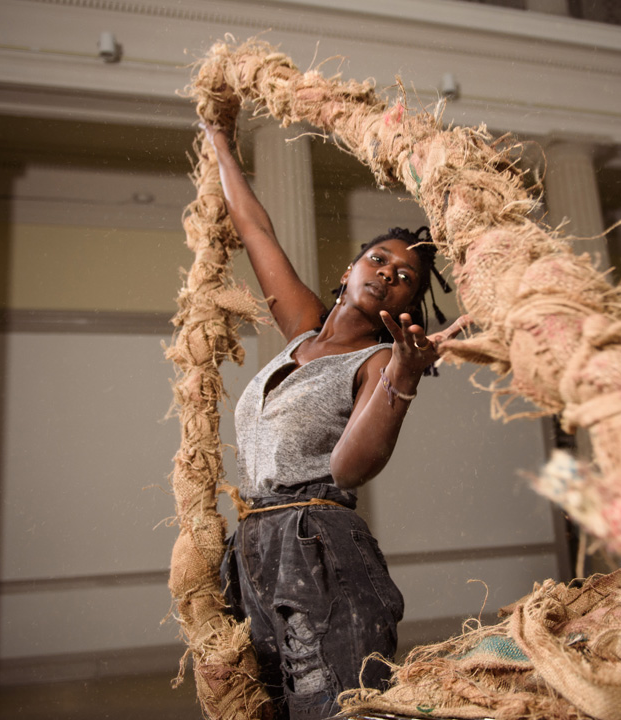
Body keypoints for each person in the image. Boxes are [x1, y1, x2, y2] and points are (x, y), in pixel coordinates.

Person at [203, 122, 468, 720]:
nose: (388, 275)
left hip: (319, 548)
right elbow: (255, 229)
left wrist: (402, 375)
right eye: (378, 261)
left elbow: (348, 467)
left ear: (410, 307)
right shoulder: (301, 331)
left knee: (336, 709)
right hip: (254, 544)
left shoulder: (376, 361)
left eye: (406, 279)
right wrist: (218, 141)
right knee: (265, 707)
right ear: (349, 269)